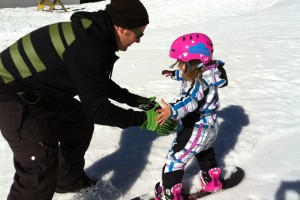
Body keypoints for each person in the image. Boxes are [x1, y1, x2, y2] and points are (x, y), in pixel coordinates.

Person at [0, 0, 177, 199]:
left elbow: (93, 79)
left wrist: (134, 100)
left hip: (38, 92)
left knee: (78, 121)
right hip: (10, 95)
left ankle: (68, 180)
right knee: (38, 168)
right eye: (139, 34)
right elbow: (98, 111)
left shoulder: (94, 33)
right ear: (121, 27)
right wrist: (144, 120)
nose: (138, 40)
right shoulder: (88, 44)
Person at [153, 33, 228, 200]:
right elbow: (187, 76)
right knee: (204, 150)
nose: (180, 67)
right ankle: (212, 179)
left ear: (192, 63)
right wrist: (173, 74)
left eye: (181, 64)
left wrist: (171, 111)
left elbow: (190, 100)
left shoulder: (197, 83)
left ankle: (170, 192)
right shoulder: (209, 72)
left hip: (196, 127)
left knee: (175, 159)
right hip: (211, 126)